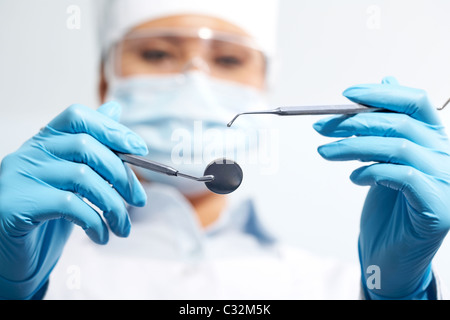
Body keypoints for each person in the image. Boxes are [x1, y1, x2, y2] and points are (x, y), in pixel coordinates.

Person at [0, 0, 449, 300]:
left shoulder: (333, 286)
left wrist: (397, 294)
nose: (195, 79)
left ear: (262, 90)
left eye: (229, 60)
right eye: (157, 54)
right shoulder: (39, 272)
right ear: (106, 81)